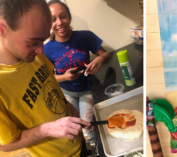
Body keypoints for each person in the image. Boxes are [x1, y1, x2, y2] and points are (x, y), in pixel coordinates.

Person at [0, 0, 91, 156]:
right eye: (33, 41)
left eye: (43, 40)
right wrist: (47, 129)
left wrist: (70, 109)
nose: (41, 50)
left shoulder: (34, 54)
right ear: (2, 29)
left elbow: (51, 86)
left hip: (76, 144)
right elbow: (6, 143)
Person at [44, 0, 110, 139]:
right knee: (75, 128)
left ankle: (96, 145)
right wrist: (65, 77)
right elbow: (47, 78)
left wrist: (99, 59)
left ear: (69, 17)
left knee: (88, 125)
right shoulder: (47, 49)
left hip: (87, 88)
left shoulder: (85, 36)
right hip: (66, 92)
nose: (60, 22)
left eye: (63, 16)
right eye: (53, 20)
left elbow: (106, 55)